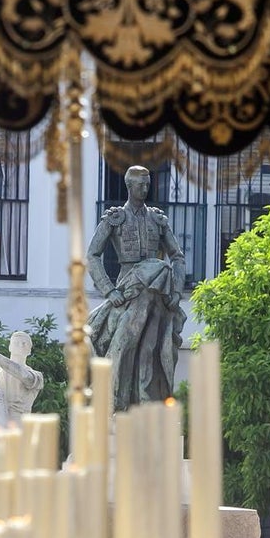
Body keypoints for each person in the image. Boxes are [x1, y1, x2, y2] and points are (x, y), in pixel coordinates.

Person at [86, 165, 186, 412]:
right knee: (124, 343)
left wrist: (176, 291)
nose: (145, 188)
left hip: (157, 291)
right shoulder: (115, 218)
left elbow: (177, 257)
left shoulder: (157, 219)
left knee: (152, 350)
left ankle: (147, 402)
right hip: (128, 288)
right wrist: (109, 290)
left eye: (148, 183)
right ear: (129, 186)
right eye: (141, 184)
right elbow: (92, 255)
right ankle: (115, 402)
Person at [0, 330, 44, 422]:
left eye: (24, 343)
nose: (20, 345)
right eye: (16, 342)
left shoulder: (36, 376)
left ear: (29, 350)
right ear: (10, 347)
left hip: (19, 422)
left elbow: (24, 376)